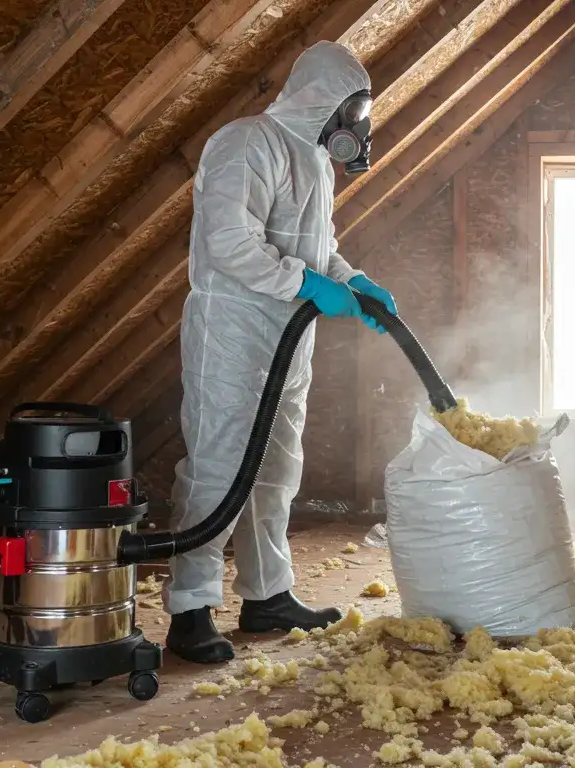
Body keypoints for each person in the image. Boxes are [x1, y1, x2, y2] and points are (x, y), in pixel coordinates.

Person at [161, 41, 397, 664]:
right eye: (355, 111)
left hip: (290, 334)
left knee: (275, 472)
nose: (357, 128)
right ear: (324, 99)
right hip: (234, 329)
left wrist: (351, 281)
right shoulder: (246, 143)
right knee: (217, 468)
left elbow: (315, 249)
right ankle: (190, 610)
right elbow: (231, 243)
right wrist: (310, 285)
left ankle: (267, 594)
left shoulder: (316, 160)